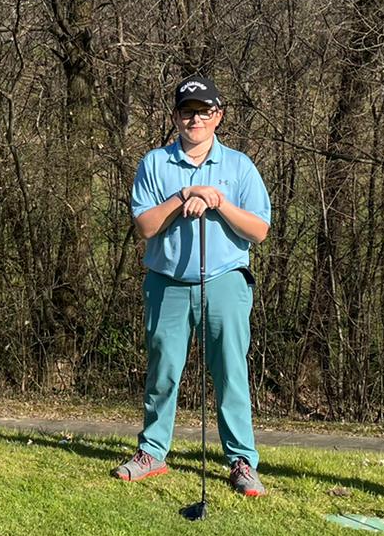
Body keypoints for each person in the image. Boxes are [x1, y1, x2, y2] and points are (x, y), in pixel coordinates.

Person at [116, 76, 272, 495]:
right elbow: (146, 226)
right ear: (175, 117)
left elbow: (259, 230)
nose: (196, 119)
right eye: (187, 112)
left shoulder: (239, 166)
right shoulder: (155, 163)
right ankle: (152, 452)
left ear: (218, 116)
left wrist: (218, 202)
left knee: (231, 373)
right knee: (163, 371)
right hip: (166, 283)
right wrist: (183, 195)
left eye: (204, 111)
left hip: (225, 281)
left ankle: (241, 461)